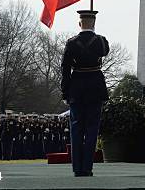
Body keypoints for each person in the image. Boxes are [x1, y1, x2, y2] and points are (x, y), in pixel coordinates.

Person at [60, 10, 109, 177]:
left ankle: (77, 168)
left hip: (77, 86)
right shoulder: (101, 41)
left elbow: (65, 69)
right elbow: (105, 51)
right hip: (95, 85)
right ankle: (87, 167)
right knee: (92, 128)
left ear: (79, 23)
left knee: (76, 128)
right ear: (94, 23)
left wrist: (65, 91)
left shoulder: (71, 43)